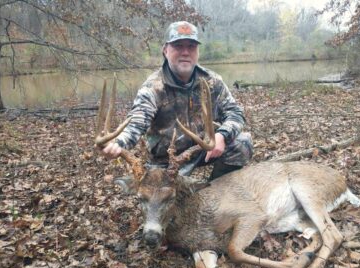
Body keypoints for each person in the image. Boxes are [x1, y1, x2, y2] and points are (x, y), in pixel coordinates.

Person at [102, 21, 253, 179]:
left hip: (202, 150)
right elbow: (136, 122)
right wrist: (118, 143)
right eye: (178, 46)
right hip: (166, 162)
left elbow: (235, 113)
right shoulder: (153, 88)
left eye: (191, 46)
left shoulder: (211, 81)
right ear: (165, 50)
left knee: (243, 144)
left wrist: (221, 135)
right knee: (158, 196)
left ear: (197, 52)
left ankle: (214, 191)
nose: (185, 52)